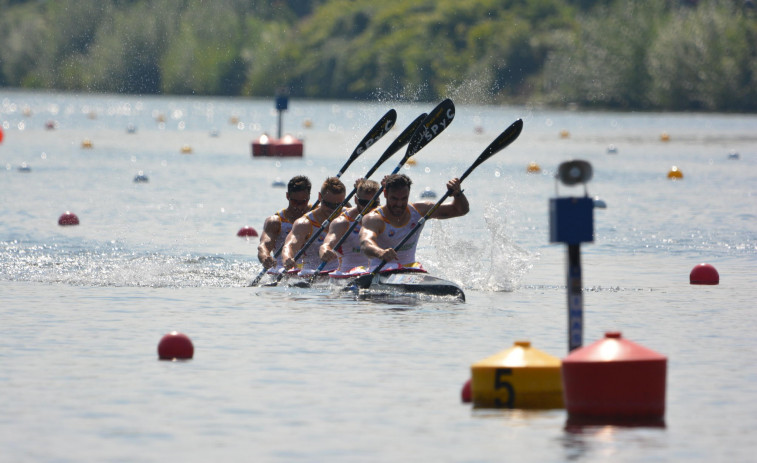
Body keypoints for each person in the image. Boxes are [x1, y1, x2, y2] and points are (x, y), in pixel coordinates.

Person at [359, 173, 468, 272]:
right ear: (385, 193)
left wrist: (457, 194)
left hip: (410, 269)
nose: (399, 204)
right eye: (394, 198)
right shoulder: (374, 218)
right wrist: (380, 253)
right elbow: (366, 243)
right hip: (380, 270)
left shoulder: (420, 210)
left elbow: (460, 210)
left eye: (404, 198)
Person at [281, 176, 346, 276]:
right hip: (312, 274)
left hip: (340, 273)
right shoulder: (304, 223)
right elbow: (290, 245)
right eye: (328, 204)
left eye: (337, 206)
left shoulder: (349, 216)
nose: (332, 210)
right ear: (320, 197)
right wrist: (287, 257)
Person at [319, 178, 381, 278]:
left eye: (373, 204)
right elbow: (327, 243)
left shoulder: (383, 217)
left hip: (375, 272)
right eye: (364, 203)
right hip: (347, 276)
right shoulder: (342, 222)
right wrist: (325, 250)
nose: (368, 208)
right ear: (356, 200)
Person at [257, 175, 311, 273]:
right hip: (283, 270)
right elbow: (263, 245)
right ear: (287, 196)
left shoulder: (317, 215)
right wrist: (265, 256)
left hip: (309, 269)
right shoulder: (275, 221)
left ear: (309, 197)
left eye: (303, 202)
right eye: (295, 202)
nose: (299, 207)